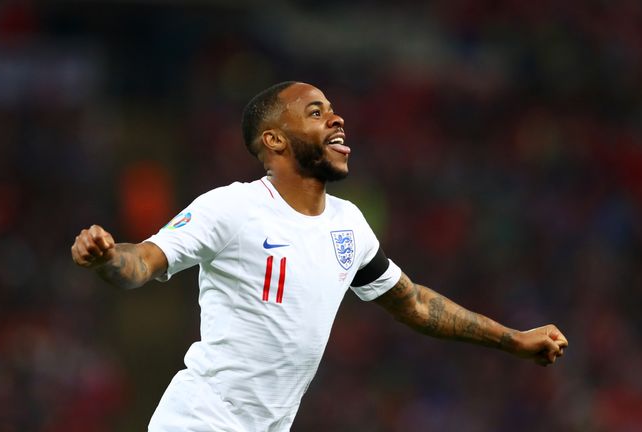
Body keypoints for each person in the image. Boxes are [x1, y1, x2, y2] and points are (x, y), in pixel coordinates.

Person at [70, 81, 569, 431]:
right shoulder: (233, 207)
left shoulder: (348, 224)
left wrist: (513, 340)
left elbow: (413, 303)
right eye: (315, 112)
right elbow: (144, 262)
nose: (336, 118)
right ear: (274, 140)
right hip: (202, 422)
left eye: (331, 108)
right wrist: (108, 259)